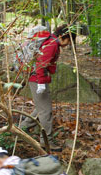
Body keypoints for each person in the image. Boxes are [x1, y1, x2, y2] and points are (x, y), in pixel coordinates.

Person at [20, 24, 76, 152]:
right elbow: (41, 64)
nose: (68, 44)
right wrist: (40, 83)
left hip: (37, 78)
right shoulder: (52, 45)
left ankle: (21, 128)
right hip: (37, 78)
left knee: (41, 107)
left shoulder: (52, 42)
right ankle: (46, 140)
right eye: (69, 41)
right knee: (46, 111)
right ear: (63, 37)